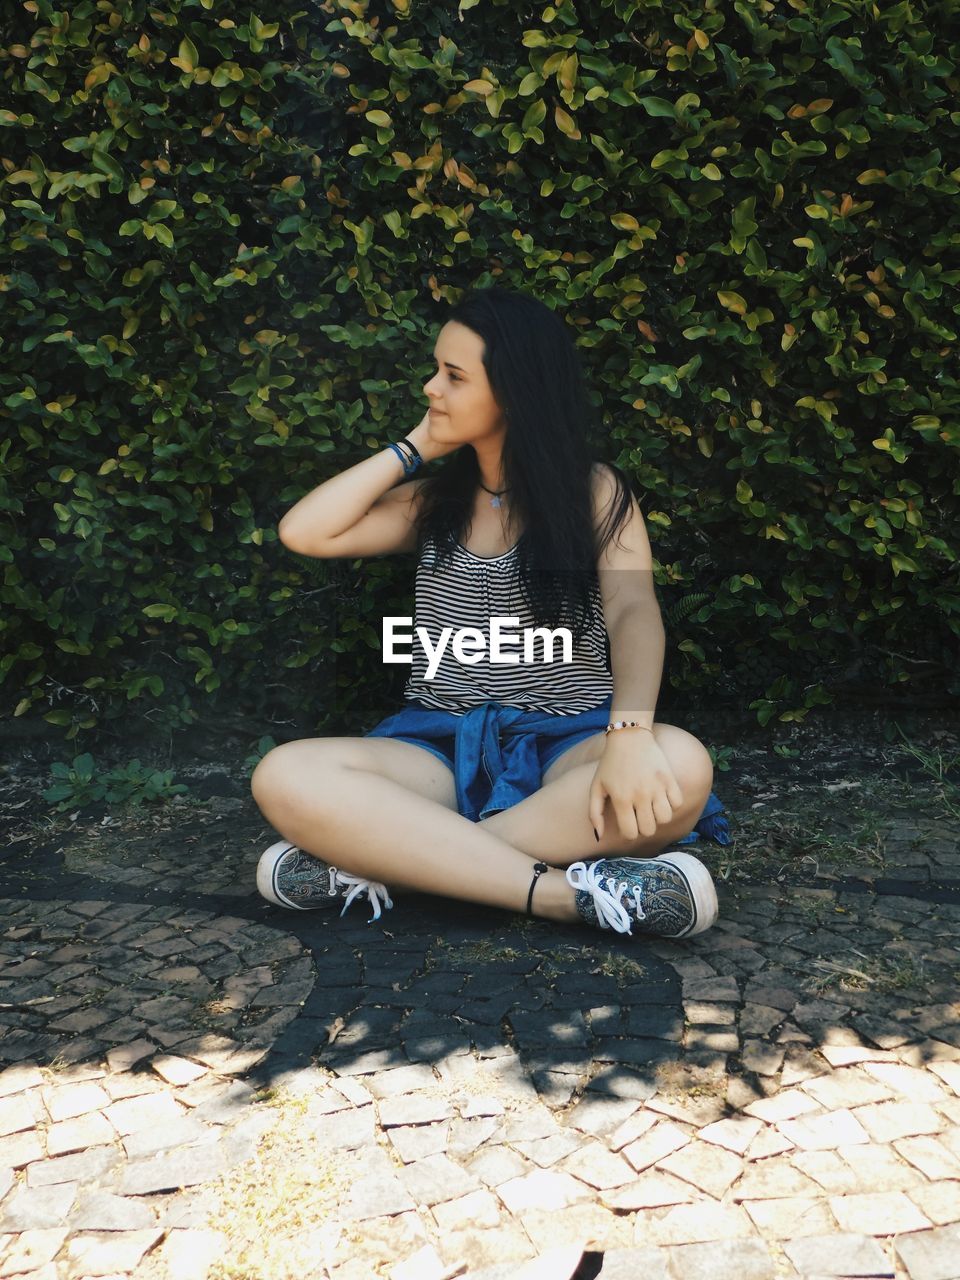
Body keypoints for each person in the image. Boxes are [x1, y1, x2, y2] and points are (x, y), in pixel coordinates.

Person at [250, 286, 730, 940]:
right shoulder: (432, 502)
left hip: (568, 743)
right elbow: (306, 532)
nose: (431, 388)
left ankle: (391, 862)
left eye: (453, 376)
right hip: (440, 748)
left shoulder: (594, 491)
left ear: (513, 390)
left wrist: (629, 733)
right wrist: (417, 444)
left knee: (683, 764)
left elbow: (632, 610)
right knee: (285, 774)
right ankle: (561, 895)